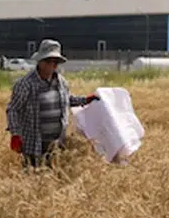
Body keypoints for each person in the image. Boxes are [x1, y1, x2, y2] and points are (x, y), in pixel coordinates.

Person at [6, 39, 99, 168]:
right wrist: (15, 134)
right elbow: (13, 110)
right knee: (33, 179)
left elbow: (66, 100)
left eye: (55, 62)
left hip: (56, 144)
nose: (52, 65)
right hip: (33, 144)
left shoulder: (61, 82)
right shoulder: (26, 84)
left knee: (53, 176)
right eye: (48, 61)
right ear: (40, 62)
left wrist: (85, 100)